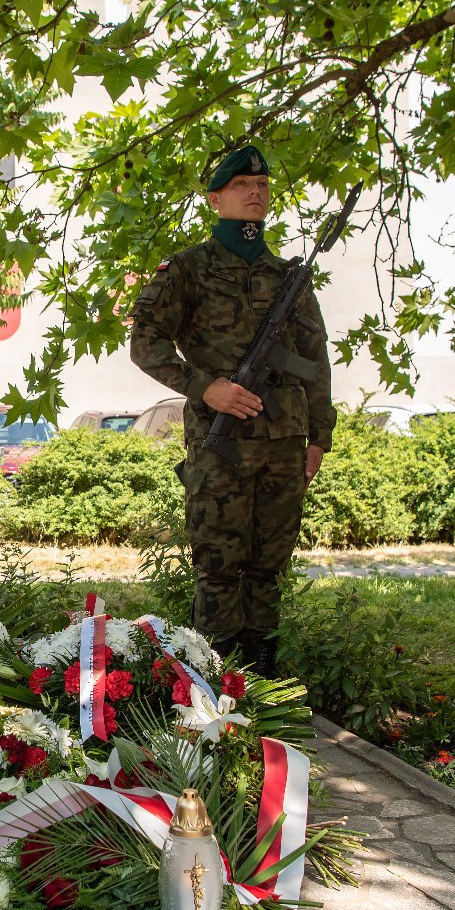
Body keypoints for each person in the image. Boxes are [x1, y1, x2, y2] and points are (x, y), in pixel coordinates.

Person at [129, 144, 335, 675]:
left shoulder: (287, 276)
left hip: (285, 444)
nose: (255, 193)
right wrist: (205, 388)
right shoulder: (189, 269)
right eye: (243, 184)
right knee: (218, 566)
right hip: (220, 443)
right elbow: (146, 342)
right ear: (216, 197)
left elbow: (315, 359)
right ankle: (213, 682)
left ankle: (263, 679)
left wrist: (319, 436)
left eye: (262, 186)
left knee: (269, 566)